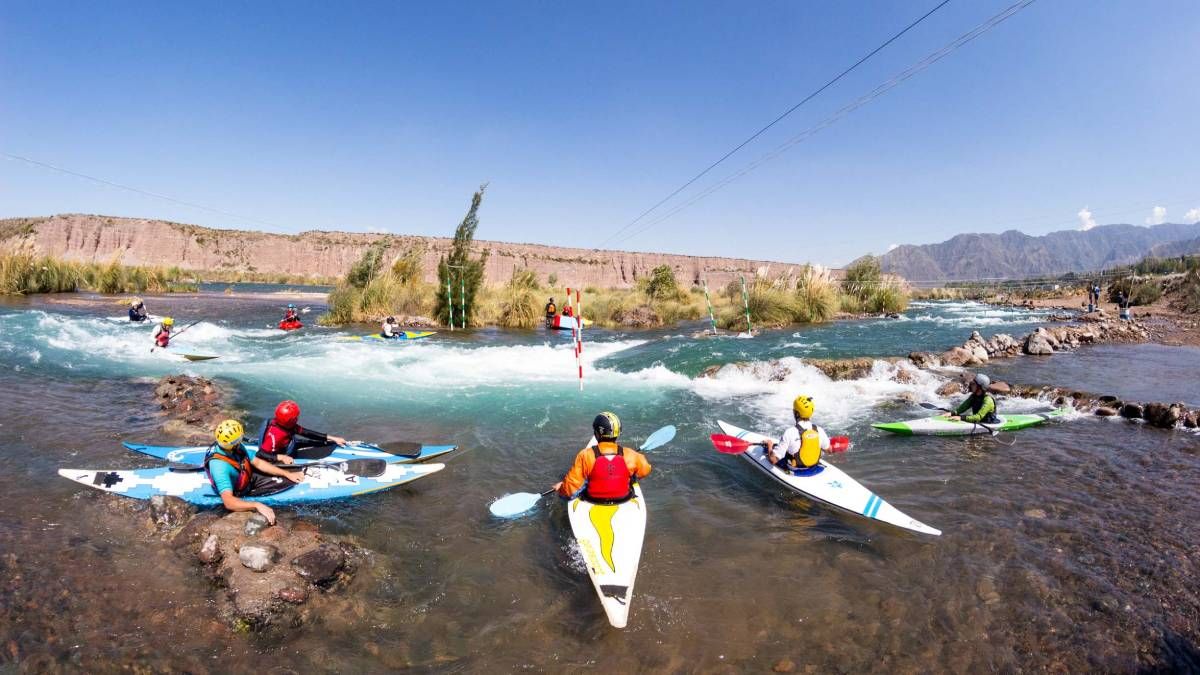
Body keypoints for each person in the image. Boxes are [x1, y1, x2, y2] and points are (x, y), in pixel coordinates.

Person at [205, 419, 302, 525]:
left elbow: (258, 463)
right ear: (232, 443)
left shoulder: (231, 447)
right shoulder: (220, 468)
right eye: (239, 439)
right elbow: (228, 502)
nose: (241, 441)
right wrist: (256, 505)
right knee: (288, 482)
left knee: (287, 471)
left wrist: (286, 473)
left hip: (243, 473)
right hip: (240, 488)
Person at [554, 411, 651, 503]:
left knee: (570, 491)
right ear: (618, 434)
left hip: (593, 500)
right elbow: (646, 469)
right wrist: (631, 477)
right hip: (623, 499)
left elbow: (570, 488)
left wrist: (562, 488)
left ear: (596, 433)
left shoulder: (585, 455)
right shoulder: (631, 454)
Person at [258, 400, 348, 465]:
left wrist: (333, 438)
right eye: (296, 417)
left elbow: (307, 433)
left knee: (323, 444)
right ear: (290, 421)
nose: (297, 418)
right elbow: (260, 454)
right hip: (278, 454)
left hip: (287, 444)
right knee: (316, 453)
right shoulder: (275, 436)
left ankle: (331, 443)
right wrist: (281, 458)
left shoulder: (285, 424)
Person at [763, 395, 830, 470]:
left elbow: (773, 459)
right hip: (813, 467)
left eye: (794, 410)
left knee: (769, 451)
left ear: (797, 414)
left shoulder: (790, 432)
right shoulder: (819, 430)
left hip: (795, 469)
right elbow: (828, 450)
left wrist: (769, 445)